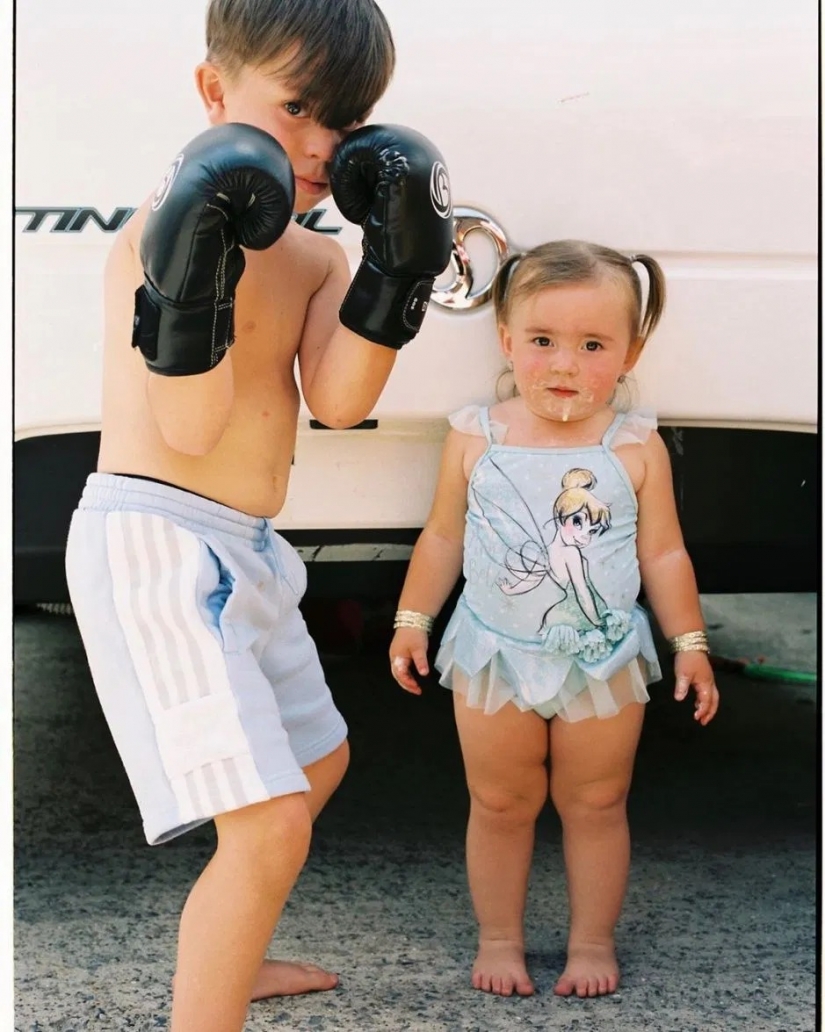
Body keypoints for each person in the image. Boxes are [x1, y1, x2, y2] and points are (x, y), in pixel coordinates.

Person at [63, 1, 453, 1029]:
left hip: (249, 551)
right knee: (271, 824)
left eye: (346, 116)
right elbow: (188, 431)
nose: (323, 144)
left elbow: (339, 400)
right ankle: (209, 1007)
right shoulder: (162, 234)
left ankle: (231, 948)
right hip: (156, 537)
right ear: (213, 93)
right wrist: (195, 273)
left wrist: (395, 264)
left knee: (317, 764)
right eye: (296, 108)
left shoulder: (318, 258)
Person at [388, 240, 719, 1000]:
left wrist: (689, 643)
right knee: (500, 802)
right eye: (541, 341)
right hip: (493, 654)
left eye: (591, 345)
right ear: (506, 341)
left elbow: (663, 555)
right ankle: (500, 937)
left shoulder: (632, 447)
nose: (563, 365)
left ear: (629, 353)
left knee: (596, 802)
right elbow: (441, 535)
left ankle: (590, 941)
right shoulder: (478, 435)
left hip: (601, 661)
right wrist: (413, 618)